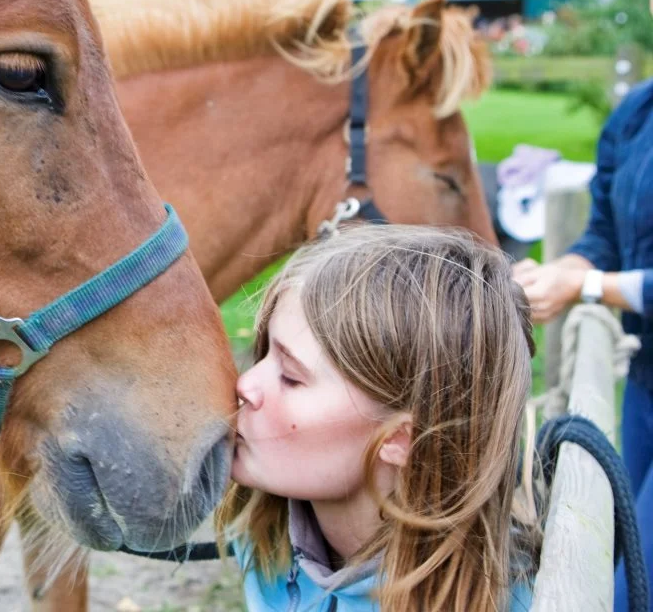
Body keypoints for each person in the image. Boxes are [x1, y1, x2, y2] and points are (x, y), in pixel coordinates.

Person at [219, 225, 537, 611]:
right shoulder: (267, 544)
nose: (246, 383)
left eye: (290, 377)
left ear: (401, 439)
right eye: (264, 352)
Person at [512, 72, 653, 612]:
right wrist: (560, 272)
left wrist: (587, 286)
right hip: (646, 388)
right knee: (628, 555)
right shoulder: (636, 113)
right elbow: (605, 235)